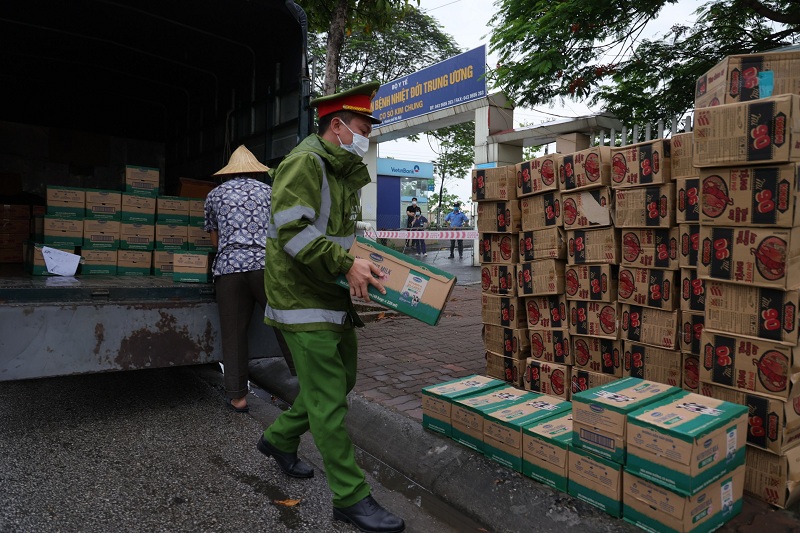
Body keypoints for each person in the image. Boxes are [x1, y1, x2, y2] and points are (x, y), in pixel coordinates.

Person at [258, 82, 405, 533]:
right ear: (337, 127)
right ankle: (350, 497)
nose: (366, 138)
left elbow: (339, 238)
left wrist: (368, 263)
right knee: (327, 401)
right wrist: (347, 263)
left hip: (330, 293)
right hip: (302, 299)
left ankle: (279, 438)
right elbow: (293, 233)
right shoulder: (305, 163)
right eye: (362, 128)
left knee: (342, 382)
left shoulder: (340, 172)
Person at [204, 145, 296, 413]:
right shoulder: (269, 192)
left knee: (233, 333)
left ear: (229, 173)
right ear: (257, 171)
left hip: (229, 268)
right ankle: (306, 381)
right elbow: (280, 230)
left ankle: (238, 397)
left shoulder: (214, 195)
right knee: (284, 324)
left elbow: (214, 239)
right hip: (265, 266)